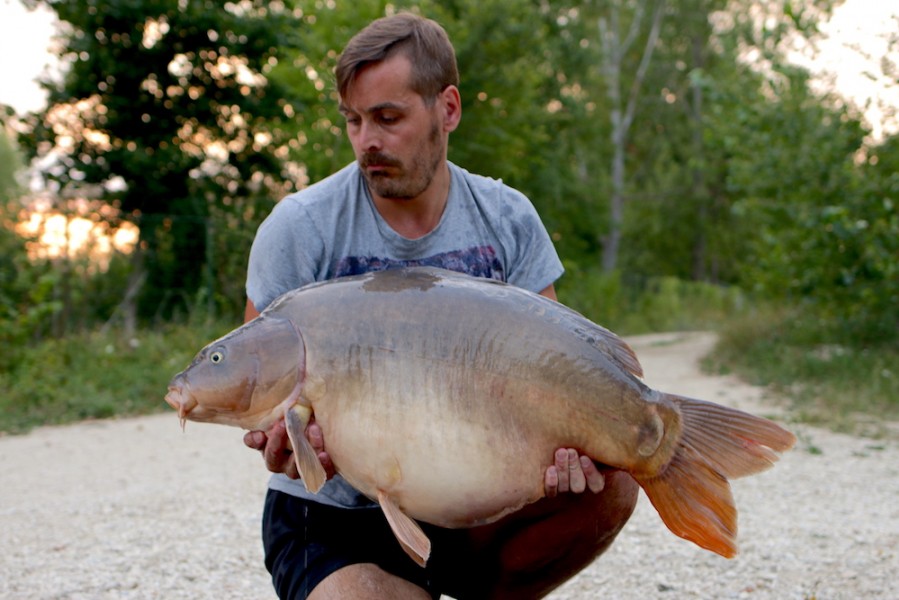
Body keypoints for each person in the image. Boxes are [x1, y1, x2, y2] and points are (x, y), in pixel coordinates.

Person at [242, 13, 638, 599]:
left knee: (616, 481)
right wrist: (280, 438)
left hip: (475, 504)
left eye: (388, 118)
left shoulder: (507, 218)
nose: (366, 141)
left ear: (447, 109)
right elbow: (255, 376)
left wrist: (573, 451)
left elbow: (558, 367)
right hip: (338, 517)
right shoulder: (301, 227)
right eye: (353, 121)